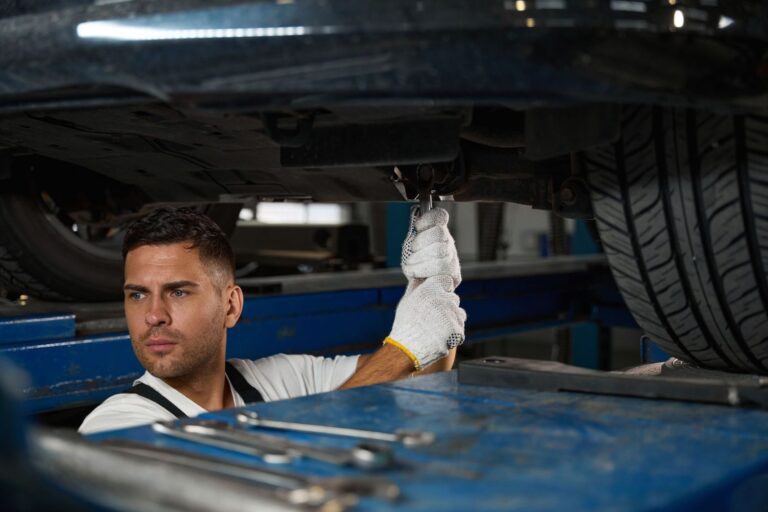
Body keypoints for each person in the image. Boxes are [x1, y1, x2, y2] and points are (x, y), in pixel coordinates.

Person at [78, 206, 465, 434]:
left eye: (178, 292)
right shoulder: (117, 423)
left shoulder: (280, 379)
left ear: (230, 306)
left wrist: (431, 293)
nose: (154, 315)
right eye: (137, 294)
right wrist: (403, 348)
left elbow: (415, 378)